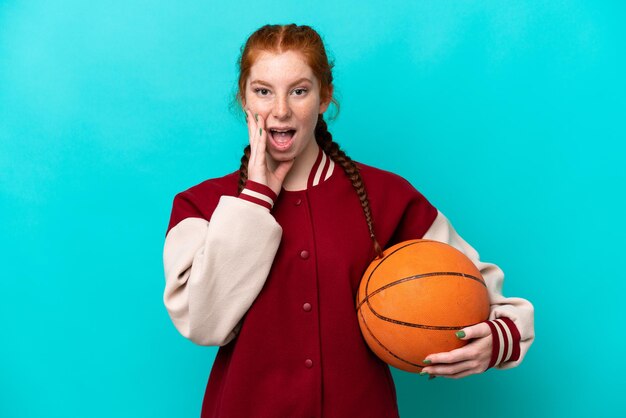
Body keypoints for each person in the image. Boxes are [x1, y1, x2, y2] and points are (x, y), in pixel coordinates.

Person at [162, 24, 534, 418]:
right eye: (263, 91)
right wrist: (257, 197)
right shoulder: (198, 205)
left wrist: (498, 338)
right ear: (243, 98)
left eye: (299, 90)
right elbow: (204, 324)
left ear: (325, 98)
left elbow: (477, 290)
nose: (281, 110)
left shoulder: (387, 196)